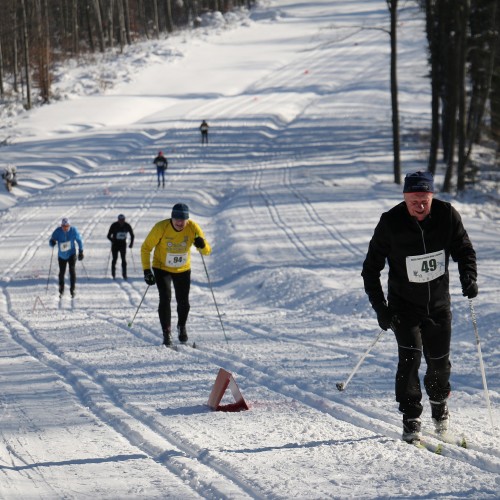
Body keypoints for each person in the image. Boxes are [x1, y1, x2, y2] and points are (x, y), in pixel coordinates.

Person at [361, 171, 477, 444]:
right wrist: (381, 308)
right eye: (414, 199)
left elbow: (464, 250)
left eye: (424, 199)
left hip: (438, 305)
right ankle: (411, 417)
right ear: (404, 198)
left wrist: (468, 276)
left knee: (439, 363)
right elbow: (370, 270)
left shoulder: (447, 216)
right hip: (404, 307)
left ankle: (439, 407)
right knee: (410, 359)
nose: (420, 205)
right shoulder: (391, 222)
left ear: (432, 196)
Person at [141, 203, 211, 346]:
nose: (179, 223)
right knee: (165, 298)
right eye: (176, 219)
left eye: (183, 219)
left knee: (183, 301)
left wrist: (201, 244)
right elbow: (146, 248)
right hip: (162, 267)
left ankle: (182, 326)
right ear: (171, 218)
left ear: (187, 219)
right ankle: (167, 332)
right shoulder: (161, 227)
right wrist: (147, 270)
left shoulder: (193, 228)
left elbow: (207, 252)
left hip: (183, 269)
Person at [49, 217, 84, 298]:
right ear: (61, 226)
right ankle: (61, 290)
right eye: (63, 226)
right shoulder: (57, 231)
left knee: (72, 271)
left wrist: (81, 251)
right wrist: (52, 242)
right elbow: (51, 242)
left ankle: (73, 289)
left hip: (71, 254)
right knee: (61, 273)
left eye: (67, 226)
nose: (65, 228)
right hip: (61, 256)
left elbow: (79, 240)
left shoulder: (73, 230)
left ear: (69, 225)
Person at [107, 214, 135, 279]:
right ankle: (113, 274)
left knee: (123, 259)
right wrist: (112, 240)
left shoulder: (127, 226)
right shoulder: (114, 225)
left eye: (122, 220)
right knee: (114, 259)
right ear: (118, 219)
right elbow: (108, 235)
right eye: (120, 220)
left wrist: (131, 244)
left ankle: (124, 274)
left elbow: (132, 235)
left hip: (123, 245)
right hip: (115, 245)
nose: (121, 221)